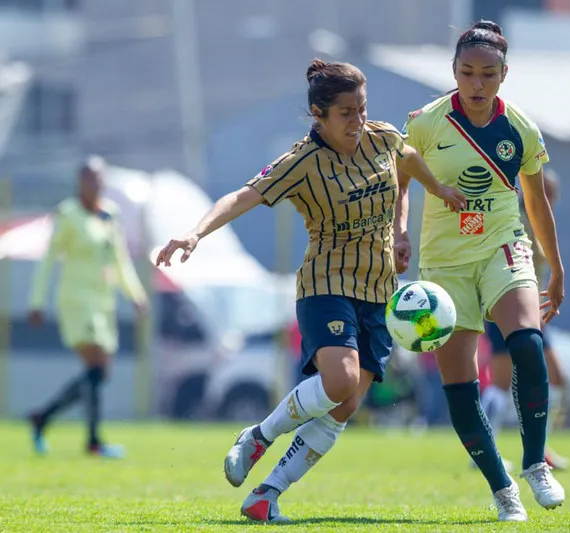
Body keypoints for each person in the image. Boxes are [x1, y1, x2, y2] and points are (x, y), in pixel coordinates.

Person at [156, 59, 465, 524]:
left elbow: (407, 160)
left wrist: (427, 200)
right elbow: (243, 196)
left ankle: (266, 494)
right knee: (340, 382)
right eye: (346, 113)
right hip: (326, 285)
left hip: (379, 291)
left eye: (362, 109)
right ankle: (259, 436)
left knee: (347, 404)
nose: (358, 121)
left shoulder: (381, 137)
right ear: (319, 114)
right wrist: (195, 233)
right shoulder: (301, 162)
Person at [395, 21, 566, 521]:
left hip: (503, 247)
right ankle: (502, 488)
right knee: (460, 382)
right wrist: (400, 233)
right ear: (453, 71)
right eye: (467, 72)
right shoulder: (425, 123)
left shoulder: (521, 128)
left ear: (503, 75)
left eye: (487, 74)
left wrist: (556, 267)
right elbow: (401, 185)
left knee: (528, 345)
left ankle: (535, 464)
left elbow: (536, 203)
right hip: (444, 264)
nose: (476, 83)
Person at [27, 155, 149, 458]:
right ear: (80, 181)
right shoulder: (68, 214)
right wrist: (36, 300)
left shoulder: (109, 214)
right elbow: (48, 258)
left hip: (102, 303)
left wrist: (135, 295)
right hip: (76, 302)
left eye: (99, 178)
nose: (95, 183)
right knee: (95, 367)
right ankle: (93, 441)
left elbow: (119, 260)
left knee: (100, 372)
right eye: (90, 178)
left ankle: (43, 417)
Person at [481, 168, 570, 471]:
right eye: (546, 191)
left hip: (531, 311)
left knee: (555, 377)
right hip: (507, 307)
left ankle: (540, 447)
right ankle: (484, 448)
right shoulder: (516, 221)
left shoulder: (541, 221)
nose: (551, 197)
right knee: (501, 382)